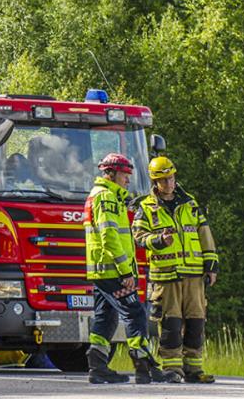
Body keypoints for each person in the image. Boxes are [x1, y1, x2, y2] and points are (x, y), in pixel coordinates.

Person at [83, 153, 171, 385]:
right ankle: (144, 367)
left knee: (105, 317)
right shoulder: (107, 197)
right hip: (113, 271)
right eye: (124, 175)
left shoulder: (100, 195)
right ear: (110, 174)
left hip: (102, 270)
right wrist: (125, 272)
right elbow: (110, 237)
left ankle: (98, 367)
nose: (128, 179)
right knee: (135, 313)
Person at [133, 156, 218, 383]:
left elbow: (205, 234)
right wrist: (159, 240)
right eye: (164, 180)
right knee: (171, 323)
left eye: (171, 178)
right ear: (155, 182)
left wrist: (211, 265)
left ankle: (194, 369)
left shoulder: (190, 203)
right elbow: (138, 237)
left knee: (196, 322)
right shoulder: (146, 207)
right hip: (166, 275)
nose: (169, 183)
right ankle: (172, 369)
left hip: (194, 274)